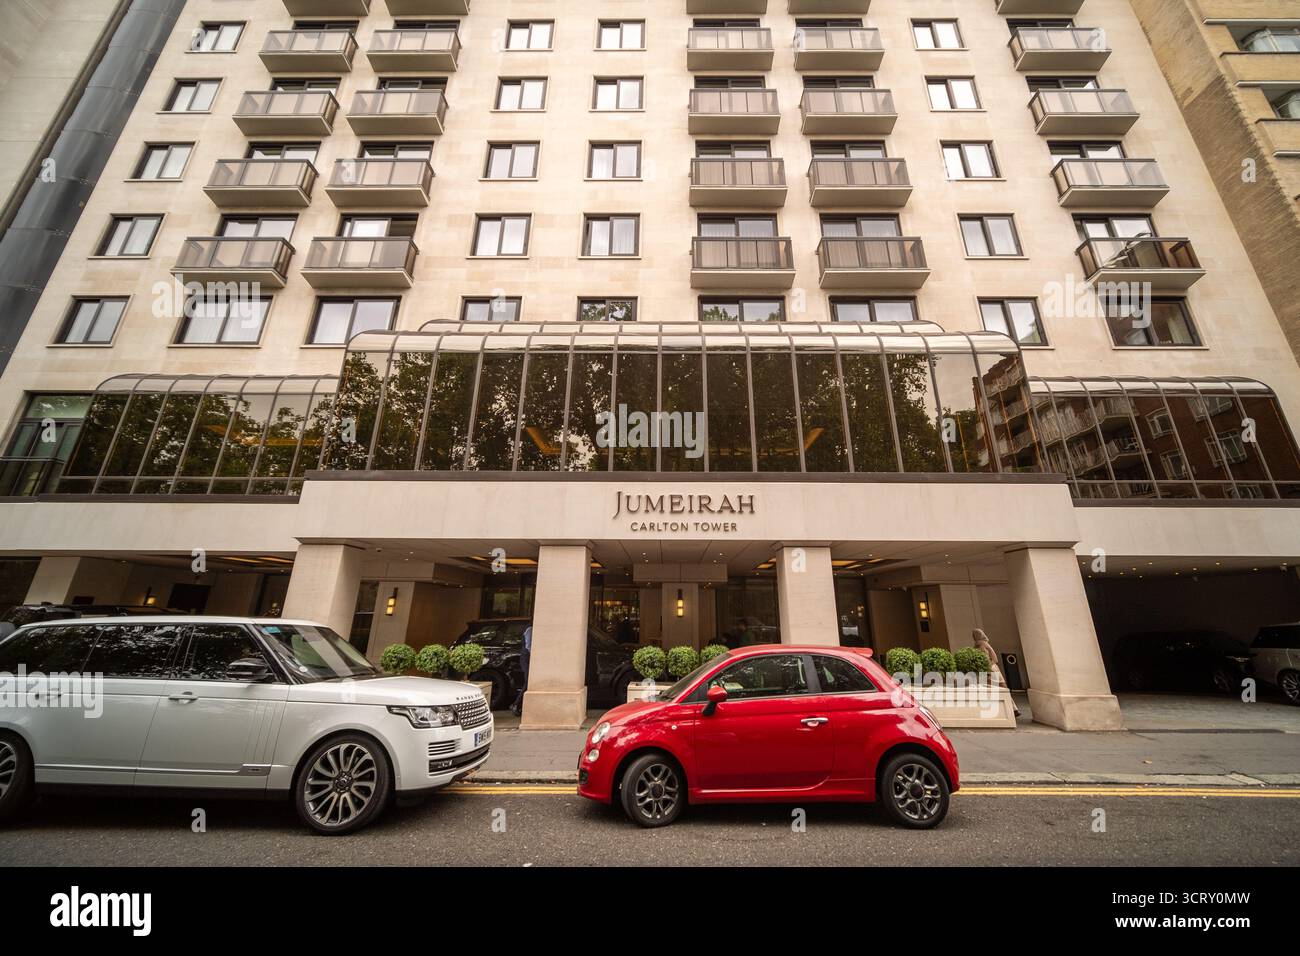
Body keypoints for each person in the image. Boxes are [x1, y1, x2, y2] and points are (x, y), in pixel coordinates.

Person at [973, 627, 1021, 718]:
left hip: (992, 670)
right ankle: (1005, 710)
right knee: (991, 690)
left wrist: (987, 667)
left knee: (1002, 688)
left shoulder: (985, 644)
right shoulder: (975, 647)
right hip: (984, 671)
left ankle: (1014, 709)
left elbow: (995, 659)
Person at [511, 623, 532, 717]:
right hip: (526, 658)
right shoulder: (530, 629)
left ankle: (518, 705)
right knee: (528, 681)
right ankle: (516, 704)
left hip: (528, 658)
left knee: (529, 681)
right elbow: (528, 646)